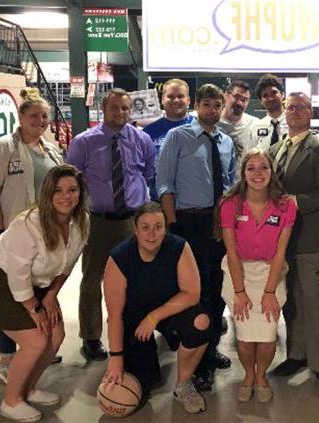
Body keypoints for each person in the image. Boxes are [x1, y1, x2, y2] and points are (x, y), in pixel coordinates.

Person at [0, 165, 89, 422]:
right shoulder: (29, 223)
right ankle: (11, 401)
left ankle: (28, 388)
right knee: (36, 340)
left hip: (37, 284)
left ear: (81, 193)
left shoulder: (81, 222)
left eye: (72, 190)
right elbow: (18, 275)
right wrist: (34, 308)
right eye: (58, 190)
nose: (66, 196)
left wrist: (50, 296)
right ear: (47, 193)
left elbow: (66, 266)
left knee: (56, 335)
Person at [0, 87, 64, 383]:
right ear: (21, 118)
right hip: (11, 238)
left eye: (43, 116)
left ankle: (35, 346)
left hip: (45, 236)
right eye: (33, 116)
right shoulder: (1, 149)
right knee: (8, 298)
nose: (39, 121)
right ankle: (6, 359)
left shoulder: (51, 149)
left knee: (36, 290)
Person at [67, 88, 156, 361]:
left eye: (125, 108)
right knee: (92, 280)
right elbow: (72, 182)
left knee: (137, 279)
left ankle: (134, 329)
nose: (120, 113)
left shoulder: (142, 140)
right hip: (98, 222)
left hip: (132, 221)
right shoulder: (83, 142)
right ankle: (91, 337)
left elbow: (148, 174)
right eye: (115, 108)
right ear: (103, 110)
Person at [156, 83, 236, 390]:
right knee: (195, 293)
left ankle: (211, 346)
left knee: (216, 290)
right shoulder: (178, 137)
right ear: (197, 106)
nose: (212, 110)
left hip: (216, 226)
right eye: (206, 104)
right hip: (186, 223)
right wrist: (173, 229)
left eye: (217, 105)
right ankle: (198, 361)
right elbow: (164, 184)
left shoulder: (226, 141)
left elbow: (229, 184)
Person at [101, 202, 211, 414]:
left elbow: (192, 294)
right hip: (134, 319)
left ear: (165, 227)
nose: (152, 234)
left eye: (158, 226)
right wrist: (115, 358)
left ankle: (183, 384)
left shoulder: (179, 247)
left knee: (201, 322)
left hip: (168, 311)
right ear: (135, 229)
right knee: (143, 382)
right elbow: (114, 316)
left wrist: (153, 317)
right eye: (145, 227)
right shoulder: (119, 257)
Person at [268, 92, 319, 396]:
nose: (295, 112)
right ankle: (296, 355)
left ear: (311, 113)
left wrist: (295, 202)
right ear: (284, 112)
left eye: (301, 107)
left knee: (314, 303)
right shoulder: (273, 150)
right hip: (279, 242)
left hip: (310, 238)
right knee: (292, 304)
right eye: (291, 107)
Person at [218, 149, 296, 403]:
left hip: (270, 272)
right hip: (238, 271)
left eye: (263, 167)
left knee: (266, 334)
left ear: (272, 172)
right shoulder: (230, 204)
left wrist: (270, 292)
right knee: (244, 335)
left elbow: (281, 251)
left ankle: (261, 376)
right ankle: (248, 375)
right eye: (251, 168)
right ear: (243, 173)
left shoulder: (286, 206)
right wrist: (239, 292)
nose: (258, 173)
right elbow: (230, 250)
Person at [217, 80, 260, 174]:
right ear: (226, 96)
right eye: (236, 97)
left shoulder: (255, 124)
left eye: (244, 100)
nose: (239, 103)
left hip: (242, 185)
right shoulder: (212, 122)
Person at [143, 79, 194, 156]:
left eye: (180, 96)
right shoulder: (148, 132)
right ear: (163, 100)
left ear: (188, 100)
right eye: (170, 96)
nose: (176, 100)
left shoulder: (201, 128)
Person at [253, 74, 290, 151]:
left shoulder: (293, 124)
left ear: (282, 94)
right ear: (261, 101)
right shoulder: (255, 127)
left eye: (274, 93)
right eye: (265, 95)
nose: (270, 98)